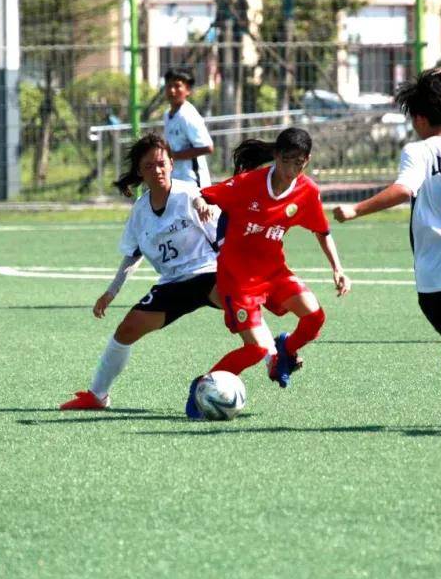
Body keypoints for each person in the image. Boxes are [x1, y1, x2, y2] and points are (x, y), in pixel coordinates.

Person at [334, 69, 441, 427]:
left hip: (432, 277)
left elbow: (405, 189)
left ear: (420, 117)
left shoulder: (417, 151)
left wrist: (355, 209)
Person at [184, 128, 351, 419]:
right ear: (276, 156)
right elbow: (204, 196)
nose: (291, 170)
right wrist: (200, 204)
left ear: (307, 161)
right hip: (237, 278)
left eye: (299, 163)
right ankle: (202, 386)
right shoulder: (248, 183)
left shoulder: (306, 191)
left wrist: (338, 269)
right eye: (287, 161)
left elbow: (322, 231)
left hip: (274, 272)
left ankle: (285, 350)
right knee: (256, 350)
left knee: (314, 317)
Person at [60, 133, 222, 409]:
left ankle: (274, 358)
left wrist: (241, 272)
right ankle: (98, 395)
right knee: (126, 329)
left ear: (172, 163)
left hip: (209, 273)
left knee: (243, 309)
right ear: (140, 172)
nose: (157, 170)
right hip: (172, 284)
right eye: (149, 166)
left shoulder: (189, 194)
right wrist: (110, 293)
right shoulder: (140, 212)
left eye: (161, 163)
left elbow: (221, 235)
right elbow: (132, 255)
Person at [162, 68, 214, 187]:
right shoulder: (167, 114)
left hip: (193, 182)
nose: (172, 90)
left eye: (177, 86)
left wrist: (174, 155)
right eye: (169, 86)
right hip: (176, 178)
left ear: (188, 90)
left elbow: (207, 147)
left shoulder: (187, 115)